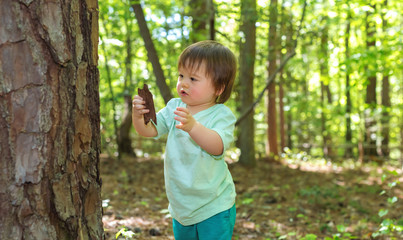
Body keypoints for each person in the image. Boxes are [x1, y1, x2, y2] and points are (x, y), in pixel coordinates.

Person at [132, 40, 237, 240]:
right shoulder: (174, 106)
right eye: (181, 75)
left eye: (194, 78)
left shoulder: (221, 114)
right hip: (182, 206)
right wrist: (138, 116)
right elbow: (149, 131)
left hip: (214, 205)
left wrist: (193, 127)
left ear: (218, 88)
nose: (184, 83)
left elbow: (217, 147)